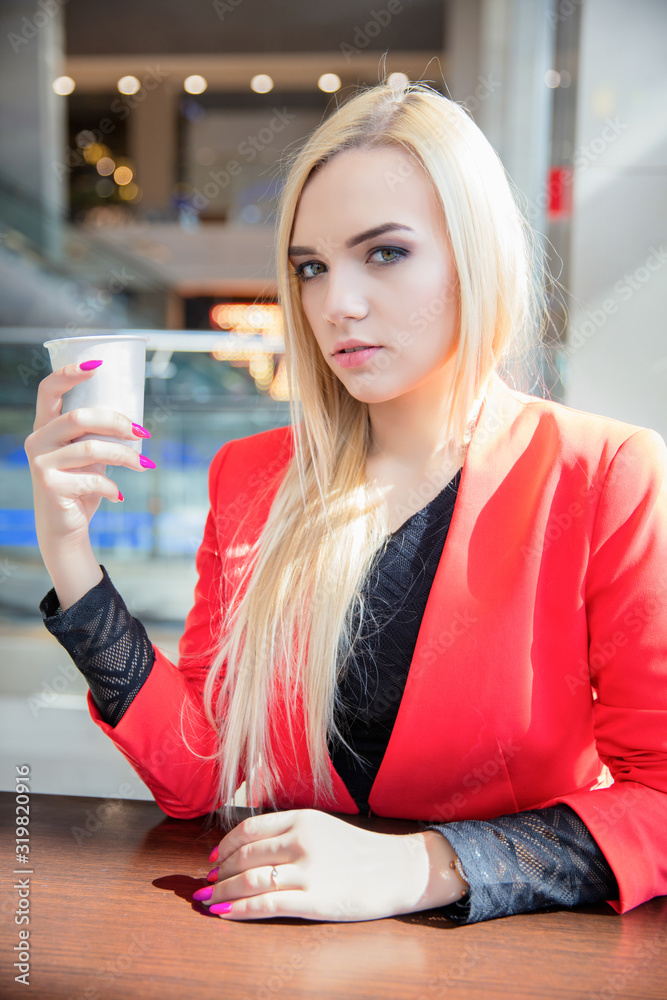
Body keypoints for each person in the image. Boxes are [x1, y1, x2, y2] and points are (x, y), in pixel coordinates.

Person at [25, 81, 667, 925]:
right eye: (311, 268)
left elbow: (656, 797)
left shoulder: (604, 473)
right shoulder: (251, 477)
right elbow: (197, 777)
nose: (337, 304)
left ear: (474, 255)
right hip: (277, 954)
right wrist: (70, 553)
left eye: (386, 253)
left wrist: (426, 865)